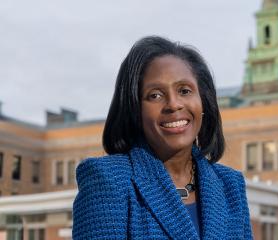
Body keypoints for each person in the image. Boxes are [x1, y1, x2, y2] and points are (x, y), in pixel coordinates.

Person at [72, 36, 253, 239]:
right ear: (135, 109)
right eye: (155, 95)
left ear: (204, 102)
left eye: (185, 90)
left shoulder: (231, 185)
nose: (173, 104)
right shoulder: (108, 181)